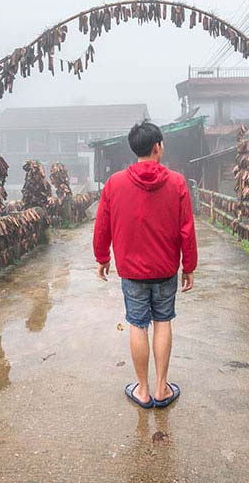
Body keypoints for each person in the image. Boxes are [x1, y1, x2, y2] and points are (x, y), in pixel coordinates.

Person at [93, 120, 197, 409]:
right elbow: (187, 229)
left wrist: (102, 258)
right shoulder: (176, 182)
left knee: (138, 325)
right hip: (165, 270)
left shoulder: (115, 184)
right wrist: (189, 266)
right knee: (163, 322)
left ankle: (142, 390)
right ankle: (162, 390)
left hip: (132, 272)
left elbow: (103, 225)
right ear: (158, 146)